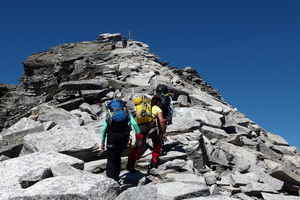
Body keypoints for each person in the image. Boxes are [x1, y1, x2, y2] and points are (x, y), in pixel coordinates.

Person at [100, 99, 142, 182]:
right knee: (118, 157)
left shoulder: (110, 113)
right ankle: (116, 177)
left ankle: (111, 180)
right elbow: (134, 123)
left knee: (111, 159)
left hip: (112, 136)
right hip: (124, 137)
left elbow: (104, 128)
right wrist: (139, 135)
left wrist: (102, 141)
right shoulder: (126, 112)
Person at [126, 94, 167, 173]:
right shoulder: (156, 108)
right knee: (157, 142)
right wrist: (164, 133)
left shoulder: (142, 108)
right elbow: (161, 121)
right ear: (158, 102)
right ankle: (155, 161)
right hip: (152, 128)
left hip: (140, 127)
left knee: (138, 146)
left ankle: (130, 164)